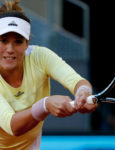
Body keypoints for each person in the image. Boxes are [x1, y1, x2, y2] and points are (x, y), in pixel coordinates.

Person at [0, 0, 98, 149]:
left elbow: (77, 81)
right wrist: (45, 105)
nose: (10, 49)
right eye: (3, 40)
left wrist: (83, 93)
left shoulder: (40, 56)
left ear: (27, 43)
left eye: (18, 41)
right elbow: (13, 126)